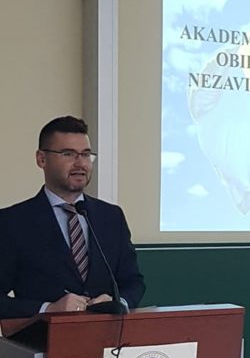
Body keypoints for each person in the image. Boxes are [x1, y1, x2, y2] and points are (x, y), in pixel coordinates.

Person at [0, 115, 145, 319]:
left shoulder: (111, 217)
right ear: (42, 159)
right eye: (68, 154)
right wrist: (48, 309)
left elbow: (133, 282)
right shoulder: (13, 222)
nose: (80, 163)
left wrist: (118, 302)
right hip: (43, 337)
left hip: (108, 336)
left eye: (85, 154)